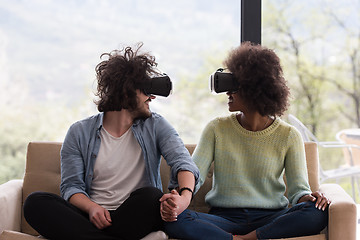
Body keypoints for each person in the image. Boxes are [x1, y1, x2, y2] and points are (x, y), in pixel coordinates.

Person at [23, 43, 199, 240]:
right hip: (91, 217)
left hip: (134, 216)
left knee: (151, 197)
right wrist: (92, 208)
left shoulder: (156, 125)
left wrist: (184, 199)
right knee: (35, 202)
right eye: (146, 90)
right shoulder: (79, 132)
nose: (152, 96)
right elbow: (71, 187)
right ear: (126, 92)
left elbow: (183, 163)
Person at [162, 42, 330, 240]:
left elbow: (298, 190)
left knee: (317, 212)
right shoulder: (216, 128)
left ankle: (244, 238)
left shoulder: (289, 135)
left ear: (255, 88)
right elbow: (194, 173)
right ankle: (248, 238)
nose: (227, 93)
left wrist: (310, 199)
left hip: (272, 217)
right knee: (172, 219)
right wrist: (179, 198)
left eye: (234, 86)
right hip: (224, 219)